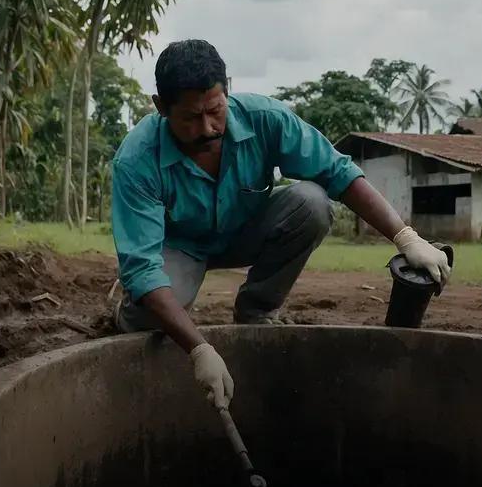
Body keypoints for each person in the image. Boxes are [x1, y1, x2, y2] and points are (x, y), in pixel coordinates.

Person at [110, 39, 451, 410]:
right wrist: (199, 348)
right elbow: (143, 268)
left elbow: (337, 172)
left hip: (246, 230)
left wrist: (406, 238)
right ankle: (128, 314)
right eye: (191, 118)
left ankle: (256, 312)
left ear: (228, 89)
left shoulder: (265, 119)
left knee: (311, 202)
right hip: (179, 248)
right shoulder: (137, 159)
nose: (208, 128)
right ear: (161, 107)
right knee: (150, 316)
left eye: (215, 111)